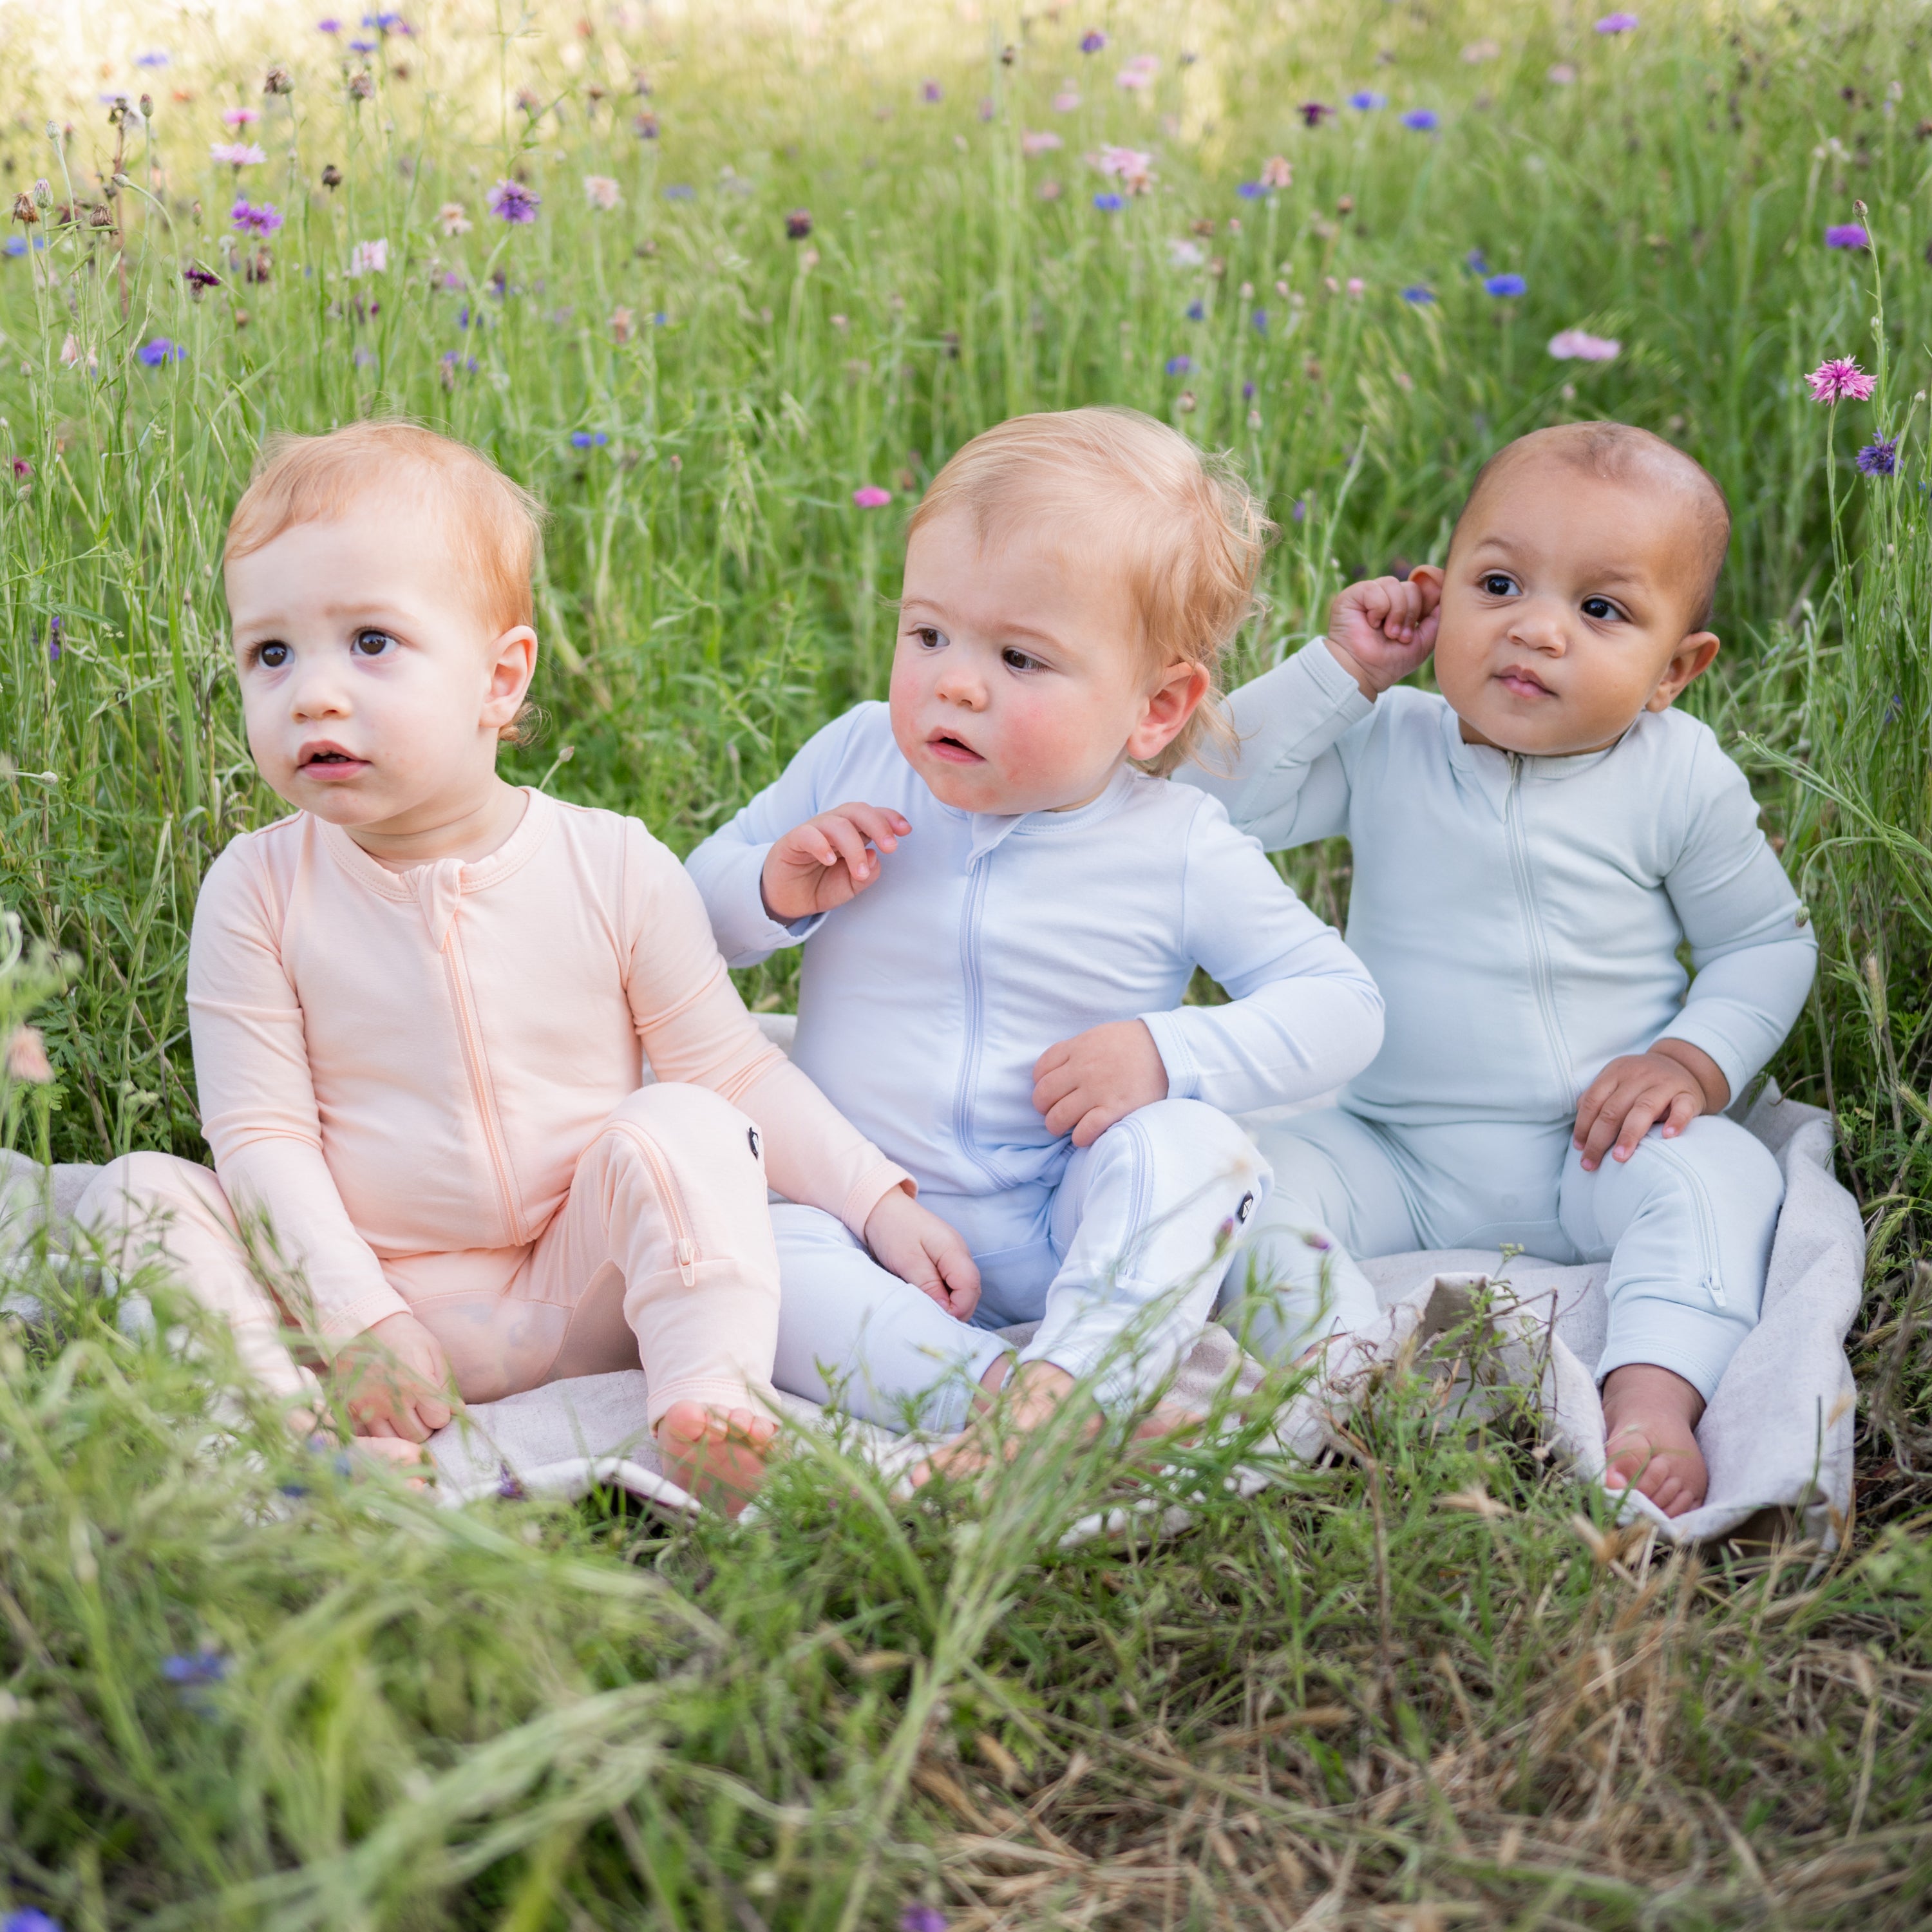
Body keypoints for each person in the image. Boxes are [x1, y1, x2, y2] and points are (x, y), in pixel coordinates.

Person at [75, 421, 967, 1513]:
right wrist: (360, 1320)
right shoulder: (258, 891)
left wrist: (878, 1201)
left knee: (688, 1120)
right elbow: (263, 1136)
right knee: (140, 1197)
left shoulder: (612, 865)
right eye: (272, 653)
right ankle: (298, 1437)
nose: (311, 693)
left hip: (571, 1288)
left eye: (369, 643)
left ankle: (712, 1406)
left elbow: (736, 1072)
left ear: (501, 679)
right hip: (349, 1303)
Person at [687, 406, 1384, 1459]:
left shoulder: (1176, 843)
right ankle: (1013, 1397)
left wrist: (1168, 1053)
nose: (954, 682)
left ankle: (1081, 1359)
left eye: (1020, 657)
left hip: (1072, 1214)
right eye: (927, 634)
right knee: (753, 1254)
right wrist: (773, 890)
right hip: (867, 1213)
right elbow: (687, 922)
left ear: (1156, 707)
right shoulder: (855, 758)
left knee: (1196, 1149)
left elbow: (1343, 1007)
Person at [1181, 422, 1817, 1517]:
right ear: (1439, 595)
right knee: (1240, 1181)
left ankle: (1652, 1396)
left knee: (1723, 1181)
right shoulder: (1393, 743)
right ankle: (1335, 1376)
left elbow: (1764, 944)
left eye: (1600, 609)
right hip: (1391, 1141)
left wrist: (1691, 1062)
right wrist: (1341, 673)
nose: (1535, 628)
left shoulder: (1679, 779)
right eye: (1500, 582)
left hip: (1597, 1148)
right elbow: (1208, 800)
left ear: (1676, 670)